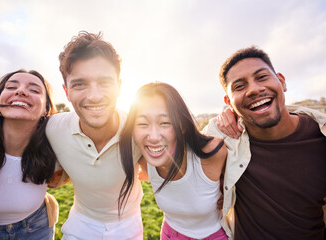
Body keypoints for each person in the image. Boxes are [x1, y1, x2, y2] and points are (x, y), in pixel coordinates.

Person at [203, 46, 326, 240]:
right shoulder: (225, 138)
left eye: (261, 77)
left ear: (282, 81)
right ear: (229, 102)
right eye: (239, 86)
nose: (254, 89)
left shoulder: (320, 137)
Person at [46, 31, 143, 239]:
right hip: (80, 223)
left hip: (129, 225)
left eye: (105, 82)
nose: (94, 96)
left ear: (119, 86)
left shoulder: (139, 127)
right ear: (66, 92)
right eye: (79, 84)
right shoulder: (52, 128)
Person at [118, 82, 228, 240]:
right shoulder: (144, 161)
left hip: (215, 235)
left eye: (165, 123)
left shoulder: (212, 153)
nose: (154, 137)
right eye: (142, 124)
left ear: (182, 125)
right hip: (171, 235)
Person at [0, 69, 59, 240]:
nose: (20, 91)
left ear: (46, 108)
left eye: (34, 90)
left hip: (38, 226)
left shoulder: (56, 144)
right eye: (11, 87)